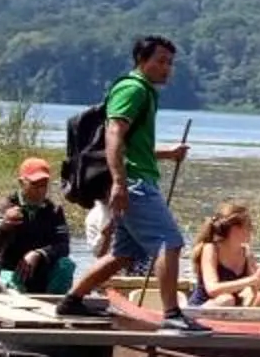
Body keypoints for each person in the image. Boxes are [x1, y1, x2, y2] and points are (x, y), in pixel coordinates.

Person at [59, 34, 205, 329]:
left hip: (136, 178)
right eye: (161, 61)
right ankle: (172, 315)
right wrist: (119, 184)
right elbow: (114, 135)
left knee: (123, 254)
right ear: (142, 61)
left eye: (170, 63)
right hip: (135, 183)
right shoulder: (133, 88)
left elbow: (130, 145)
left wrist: (167, 153)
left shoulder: (145, 92)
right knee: (170, 242)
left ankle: (71, 300)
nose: (167, 68)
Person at [0, 157, 73, 293]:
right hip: (6, 270)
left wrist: (39, 254)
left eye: (44, 185)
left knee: (66, 266)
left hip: (40, 271)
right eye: (35, 184)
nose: (40, 190)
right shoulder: (5, 206)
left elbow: (63, 245)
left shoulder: (54, 210)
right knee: (11, 288)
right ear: (22, 182)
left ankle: (53, 305)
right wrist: (5, 226)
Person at [189, 201, 260, 308]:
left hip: (231, 308)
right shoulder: (211, 249)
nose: (251, 230)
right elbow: (212, 289)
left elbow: (258, 289)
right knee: (226, 299)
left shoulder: (246, 253)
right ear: (234, 229)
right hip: (204, 307)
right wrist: (252, 280)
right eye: (248, 226)